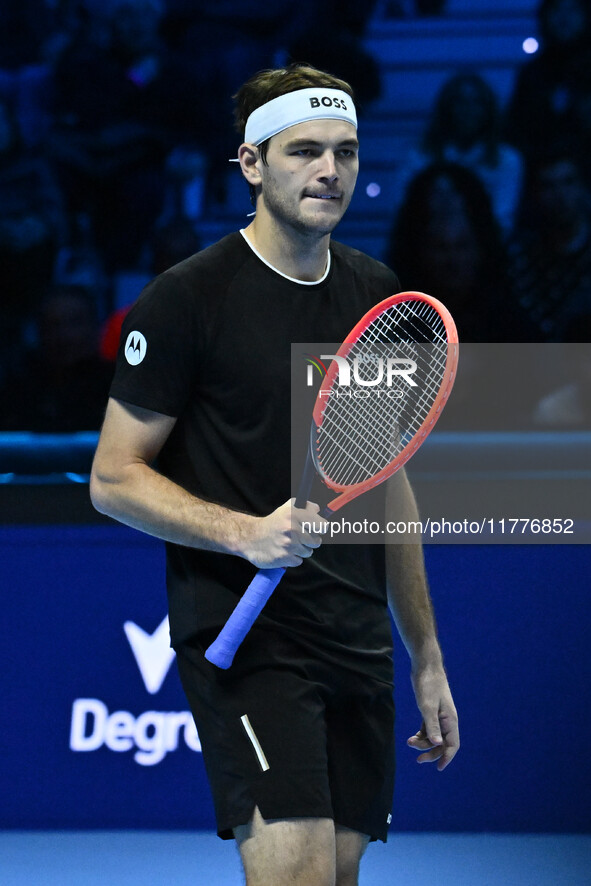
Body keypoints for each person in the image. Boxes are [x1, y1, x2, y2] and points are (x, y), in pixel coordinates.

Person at [90, 64, 459, 886]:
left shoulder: (376, 299)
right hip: (249, 638)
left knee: (335, 875)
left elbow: (386, 482)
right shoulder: (186, 300)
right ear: (251, 164)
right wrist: (245, 533)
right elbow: (113, 478)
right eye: (302, 152)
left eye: (345, 152)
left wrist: (424, 655)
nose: (329, 171)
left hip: (355, 636)